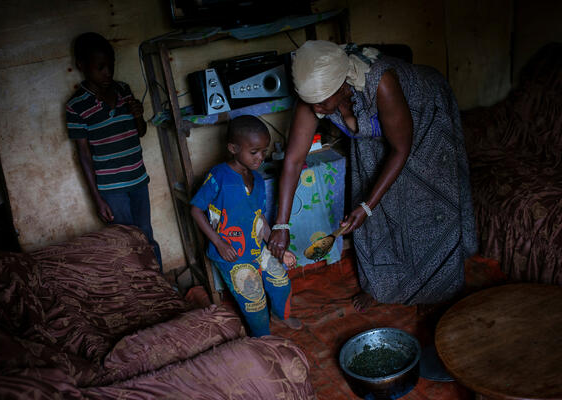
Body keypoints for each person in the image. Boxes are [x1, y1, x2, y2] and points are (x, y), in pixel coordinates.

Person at [268, 40, 478, 310]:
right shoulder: (315, 99)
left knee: (427, 202)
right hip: (379, 134)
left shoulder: (382, 82)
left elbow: (401, 149)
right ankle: (382, 287)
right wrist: (281, 225)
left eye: (321, 103)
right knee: (374, 206)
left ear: (343, 86)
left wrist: (367, 207)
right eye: (312, 104)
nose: (317, 110)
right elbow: (294, 161)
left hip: (426, 114)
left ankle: (441, 285)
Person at [190, 115, 301, 337]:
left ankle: (281, 314)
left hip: (257, 248)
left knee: (281, 282)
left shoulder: (257, 180)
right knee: (254, 300)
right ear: (233, 148)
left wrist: (277, 247)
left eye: (263, 151)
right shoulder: (219, 176)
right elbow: (195, 210)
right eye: (254, 152)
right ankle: (263, 337)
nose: (261, 157)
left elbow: (259, 220)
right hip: (231, 254)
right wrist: (219, 243)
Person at [65, 32, 163, 271]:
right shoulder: (76, 106)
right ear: (81, 66)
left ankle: (160, 284)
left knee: (146, 235)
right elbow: (84, 156)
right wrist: (98, 199)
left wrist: (139, 115)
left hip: (138, 179)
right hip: (112, 189)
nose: (108, 72)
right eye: (100, 67)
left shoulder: (123, 90)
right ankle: (141, 290)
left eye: (111, 65)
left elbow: (139, 132)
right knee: (126, 242)